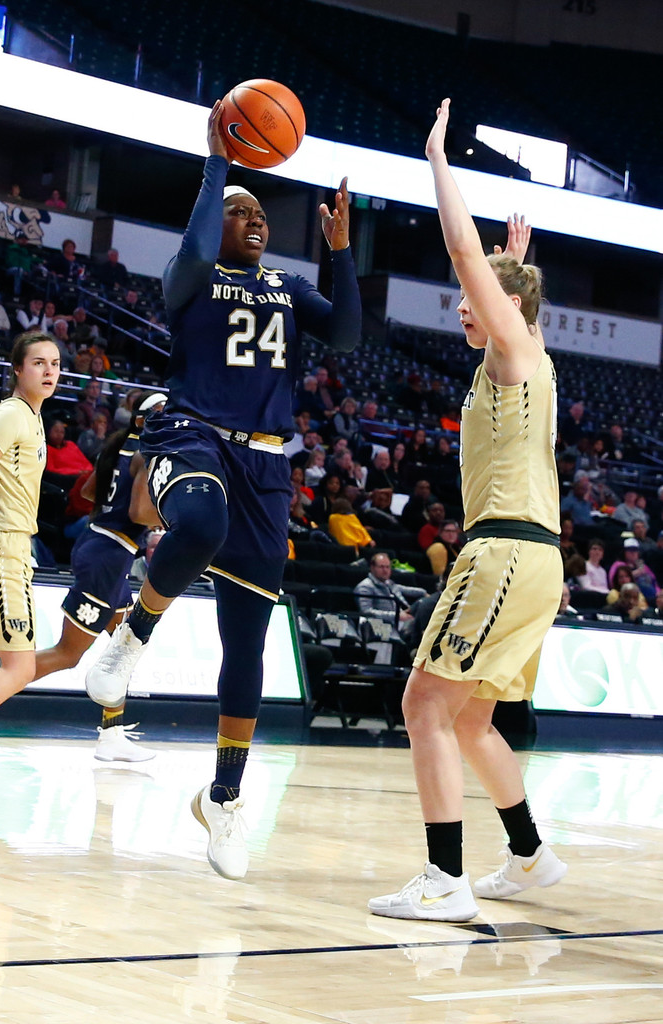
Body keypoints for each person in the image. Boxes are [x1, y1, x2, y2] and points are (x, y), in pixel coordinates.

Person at [84, 99, 360, 881]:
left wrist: (339, 252)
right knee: (197, 524)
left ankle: (225, 799)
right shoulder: (192, 277)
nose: (255, 220)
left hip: (267, 465)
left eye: (261, 213)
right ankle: (129, 640)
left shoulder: (288, 286)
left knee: (248, 641)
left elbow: (344, 333)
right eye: (241, 212)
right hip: (192, 429)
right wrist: (218, 168)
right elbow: (200, 239)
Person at [369, 100, 566, 925]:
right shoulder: (523, 355)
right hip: (533, 556)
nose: (463, 300)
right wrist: (514, 262)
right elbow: (494, 280)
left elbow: (459, 252)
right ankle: (527, 855)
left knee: (423, 704)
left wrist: (437, 160)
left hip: (505, 553)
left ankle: (443, 877)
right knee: (475, 716)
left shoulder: (512, 346)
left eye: (481, 293)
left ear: (509, 308)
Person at [31, 393, 166, 760]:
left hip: (102, 547)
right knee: (68, 654)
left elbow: (88, 491)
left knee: (122, 645)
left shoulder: (120, 446)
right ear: (146, 420)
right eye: (164, 414)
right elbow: (140, 513)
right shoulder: (147, 455)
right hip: (107, 557)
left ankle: (112, 736)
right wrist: (172, 516)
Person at [0, 332, 61, 722]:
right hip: (0, 546)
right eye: (39, 363)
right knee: (20, 668)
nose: (49, 371)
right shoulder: (10, 414)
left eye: (55, 364)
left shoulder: (33, 415)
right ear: (16, 369)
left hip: (5, 544)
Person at [354, 552, 427, 633]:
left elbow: (408, 590)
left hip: (402, 619)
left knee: (424, 603)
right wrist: (396, 616)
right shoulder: (365, 586)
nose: (385, 570)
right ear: (372, 568)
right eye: (381, 567)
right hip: (385, 625)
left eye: (387, 567)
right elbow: (366, 612)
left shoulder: (389, 583)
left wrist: (424, 593)